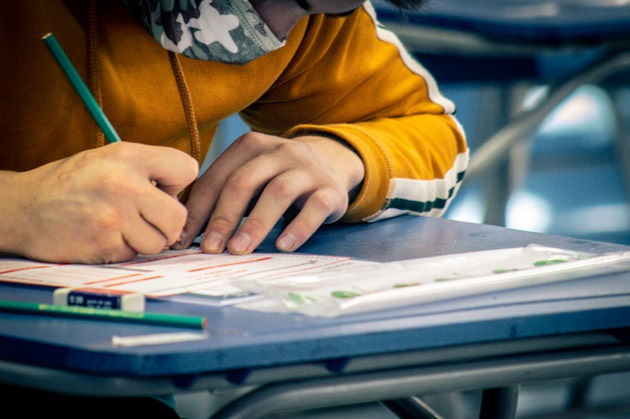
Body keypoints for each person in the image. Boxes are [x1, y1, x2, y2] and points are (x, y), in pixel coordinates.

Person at [0, 0, 468, 415]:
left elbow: (429, 130)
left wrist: (341, 155)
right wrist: (15, 209)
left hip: (97, 358)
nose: (271, 31)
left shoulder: (318, 10)